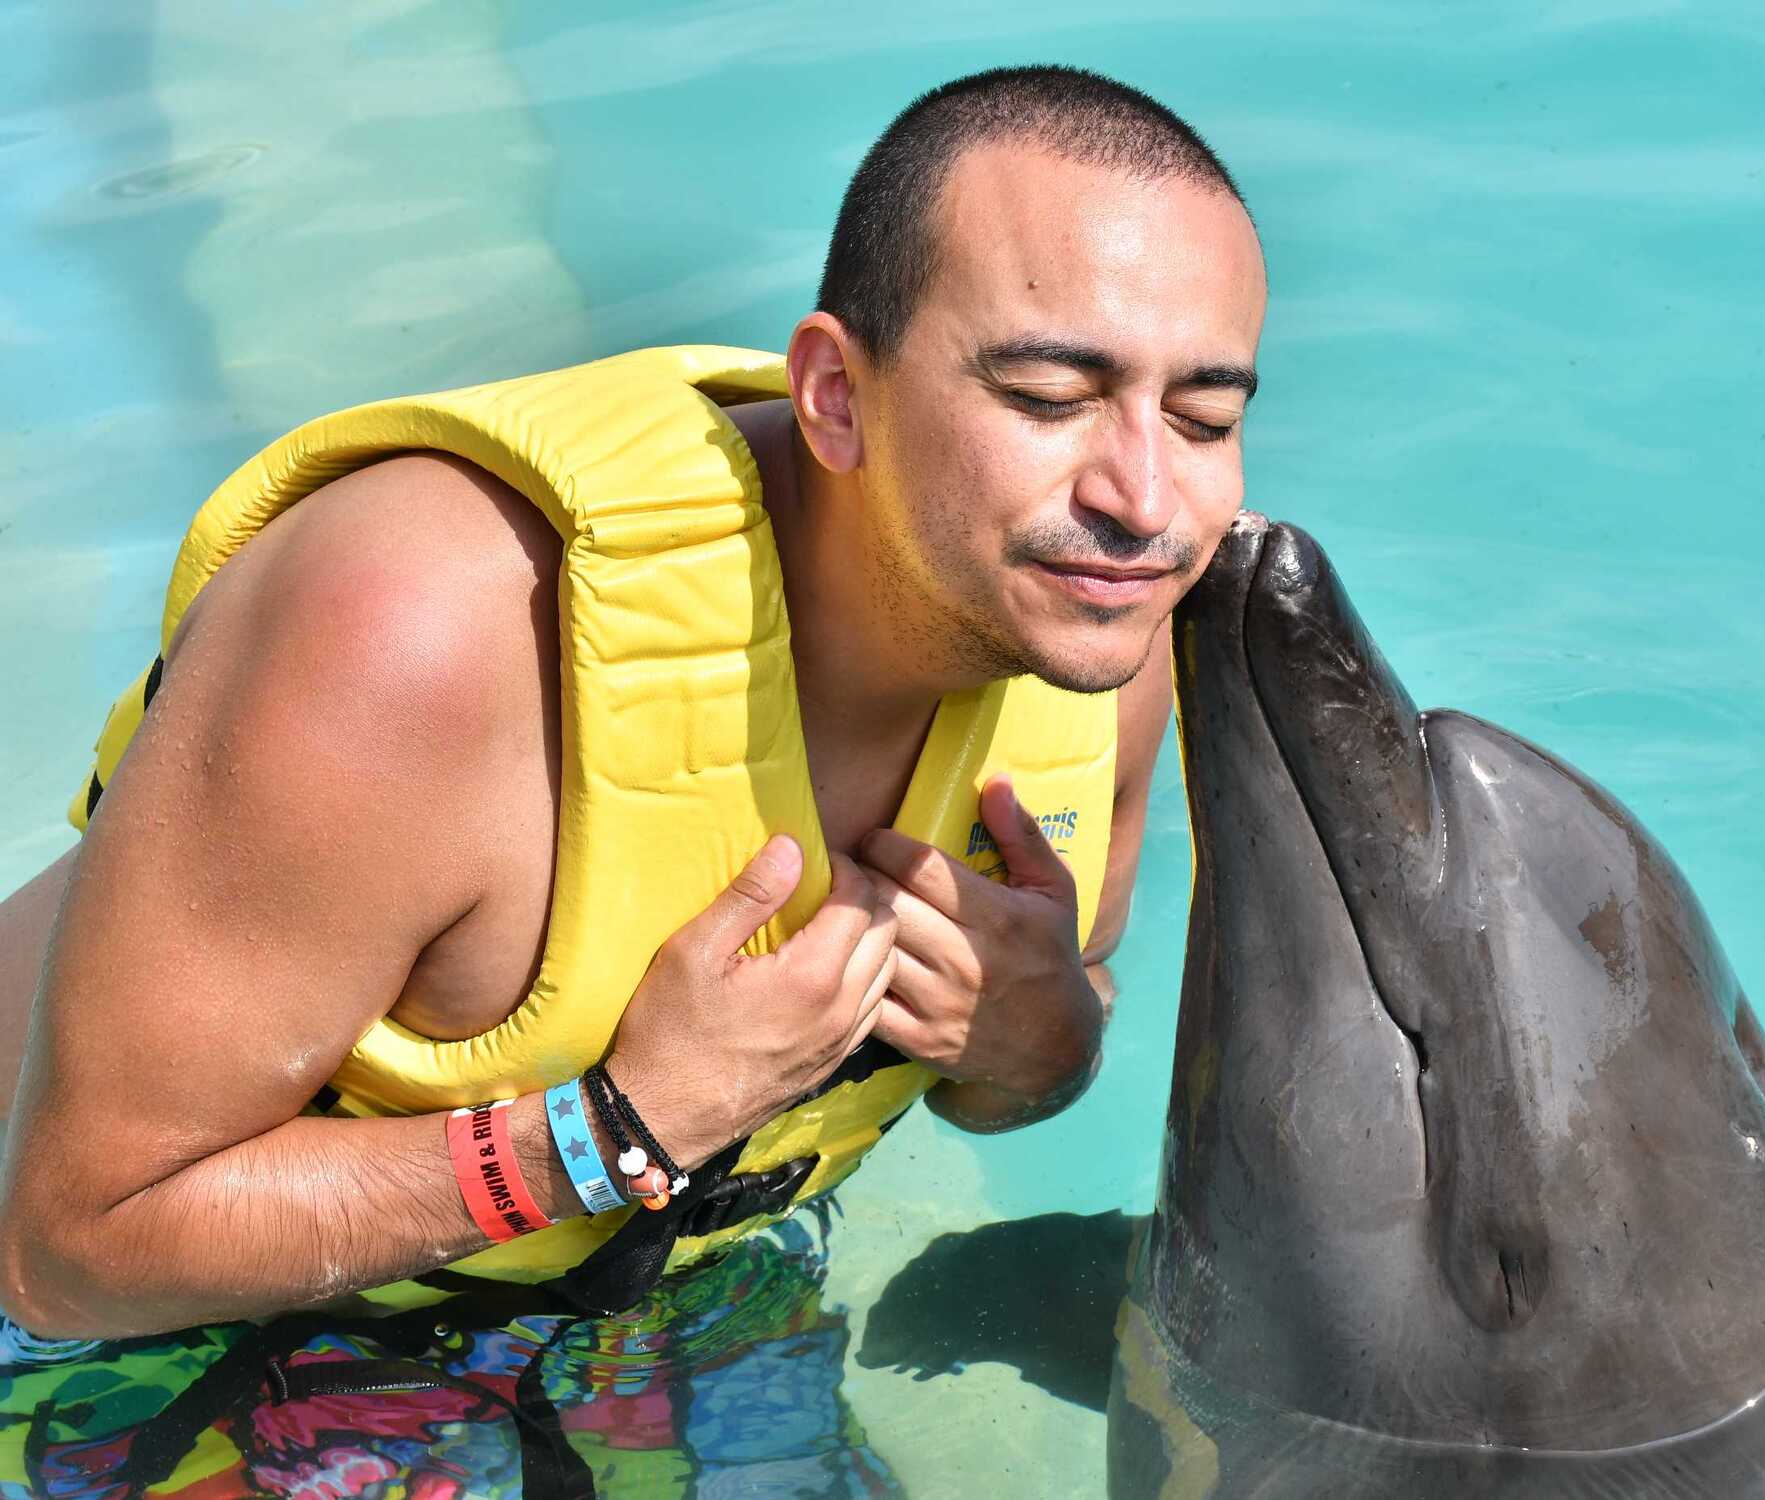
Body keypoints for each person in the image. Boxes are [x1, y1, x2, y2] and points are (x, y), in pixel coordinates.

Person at [0, 64, 1266, 1345]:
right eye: (1051, 400)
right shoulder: (426, 630)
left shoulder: (1094, 636)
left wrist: (1043, 1047)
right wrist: (614, 1131)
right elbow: (69, 1251)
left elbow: (1067, 994)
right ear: (834, 393)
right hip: (94, 1347)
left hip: (606, 1333)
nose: (1147, 504)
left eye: (1205, 416)